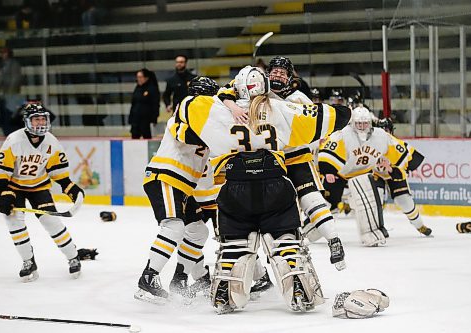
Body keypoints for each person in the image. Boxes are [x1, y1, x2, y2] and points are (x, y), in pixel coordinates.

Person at [166, 66, 346, 313]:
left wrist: (226, 99)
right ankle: (298, 285)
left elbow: (186, 108)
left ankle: (227, 293)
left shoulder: (213, 109)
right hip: (275, 184)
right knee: (286, 243)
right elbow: (335, 116)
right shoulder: (281, 109)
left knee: (235, 245)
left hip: (234, 187)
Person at [218, 57, 350, 280]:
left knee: (310, 198)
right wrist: (231, 106)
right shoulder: (258, 93)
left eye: (283, 73)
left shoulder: (298, 98)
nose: (278, 75)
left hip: (295, 156)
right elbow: (227, 91)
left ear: (291, 78)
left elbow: (316, 128)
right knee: (277, 215)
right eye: (275, 72)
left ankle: (333, 240)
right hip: (270, 160)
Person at [134, 76, 220, 304]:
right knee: (174, 225)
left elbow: (208, 169)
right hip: (166, 177)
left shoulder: (209, 125)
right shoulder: (183, 113)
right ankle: (148, 278)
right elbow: (186, 135)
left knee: (198, 231)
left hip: (183, 186)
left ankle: (180, 279)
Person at [0, 102, 85, 281]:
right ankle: (28, 261)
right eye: (36, 119)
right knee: (14, 223)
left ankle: (73, 257)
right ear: (27, 121)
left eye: (43, 118)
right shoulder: (14, 140)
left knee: (52, 222)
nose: (40, 123)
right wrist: (2, 195)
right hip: (14, 188)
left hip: (39, 187)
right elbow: (1, 173)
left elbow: (59, 174)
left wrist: (71, 189)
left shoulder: (52, 142)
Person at [318, 107, 432, 245]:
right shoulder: (349, 136)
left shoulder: (385, 139)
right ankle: (377, 227)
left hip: (389, 173)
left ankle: (419, 225)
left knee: (404, 200)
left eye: (365, 124)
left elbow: (403, 160)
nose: (362, 127)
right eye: (359, 124)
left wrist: (391, 168)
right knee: (372, 197)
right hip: (373, 173)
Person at [0, 48, 23, 136]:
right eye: (2, 53)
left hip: (9, 96)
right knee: (3, 118)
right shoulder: (1, 65)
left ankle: (12, 135)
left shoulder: (14, 65)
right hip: (1, 96)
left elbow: (15, 80)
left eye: (4, 53)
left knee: (9, 118)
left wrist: (9, 94)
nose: (3, 55)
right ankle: (7, 134)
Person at [128, 68, 160, 139]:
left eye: (140, 77)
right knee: (135, 137)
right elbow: (133, 103)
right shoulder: (137, 88)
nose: (138, 79)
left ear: (146, 78)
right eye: (137, 77)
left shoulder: (152, 88)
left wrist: (154, 117)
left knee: (147, 137)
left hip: (146, 119)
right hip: (136, 119)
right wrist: (131, 117)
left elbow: (155, 104)